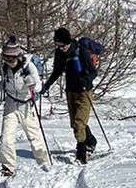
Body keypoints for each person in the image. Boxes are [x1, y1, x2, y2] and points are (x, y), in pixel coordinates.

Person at [0, 37, 50, 176]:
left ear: (18, 56)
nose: (8, 62)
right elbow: (3, 83)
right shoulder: (5, 67)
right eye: (5, 58)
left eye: (11, 59)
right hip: (11, 105)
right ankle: (8, 168)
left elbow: (40, 86)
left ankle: (44, 163)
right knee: (6, 138)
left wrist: (33, 84)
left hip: (26, 106)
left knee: (35, 138)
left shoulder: (28, 67)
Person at [41, 26, 105, 163]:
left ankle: (81, 153)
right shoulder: (59, 53)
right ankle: (91, 141)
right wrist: (47, 85)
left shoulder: (80, 51)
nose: (60, 48)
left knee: (79, 123)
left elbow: (93, 72)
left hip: (84, 92)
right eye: (57, 45)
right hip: (70, 91)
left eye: (62, 45)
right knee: (74, 124)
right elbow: (57, 71)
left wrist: (85, 79)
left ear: (68, 42)